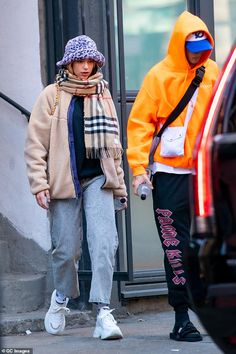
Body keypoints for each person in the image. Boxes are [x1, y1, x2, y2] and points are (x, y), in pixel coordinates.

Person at [25, 35, 127, 340]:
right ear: (69, 63)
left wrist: (119, 185)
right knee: (66, 249)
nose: (85, 67)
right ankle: (61, 298)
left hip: (99, 178)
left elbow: (114, 146)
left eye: (89, 61)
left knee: (105, 244)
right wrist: (38, 183)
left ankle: (103, 313)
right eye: (79, 61)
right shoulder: (51, 95)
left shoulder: (103, 93)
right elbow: (35, 143)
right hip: (63, 180)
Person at [126, 11, 219, 342]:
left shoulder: (214, 74)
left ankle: (208, 306)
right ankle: (181, 316)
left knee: (211, 244)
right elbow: (139, 125)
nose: (197, 55)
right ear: (179, 46)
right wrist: (138, 171)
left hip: (204, 173)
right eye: (192, 49)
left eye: (203, 49)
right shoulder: (158, 77)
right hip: (167, 174)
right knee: (174, 245)